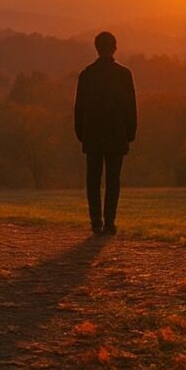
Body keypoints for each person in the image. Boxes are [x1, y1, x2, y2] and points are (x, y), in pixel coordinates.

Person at [74, 31, 137, 235]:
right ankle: (109, 221)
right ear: (115, 48)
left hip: (92, 134)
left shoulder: (86, 75)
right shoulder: (124, 74)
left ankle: (96, 221)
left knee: (93, 180)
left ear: (96, 48)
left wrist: (81, 134)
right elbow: (130, 107)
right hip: (116, 133)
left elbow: (79, 108)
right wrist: (130, 133)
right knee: (113, 180)